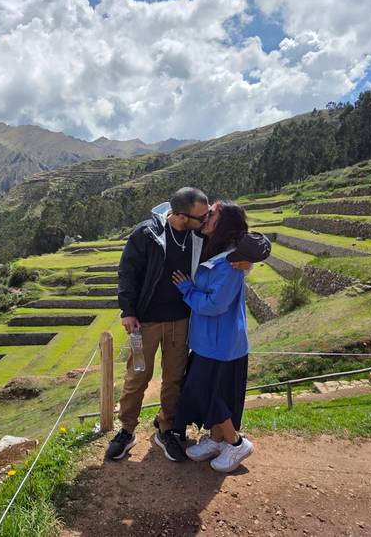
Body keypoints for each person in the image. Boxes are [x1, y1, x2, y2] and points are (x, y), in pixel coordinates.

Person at [106, 188, 268, 462]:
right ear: (182, 216)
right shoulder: (147, 234)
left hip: (182, 321)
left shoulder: (199, 236)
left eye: (209, 216)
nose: (206, 221)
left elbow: (254, 240)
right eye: (201, 216)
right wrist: (127, 310)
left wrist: (249, 258)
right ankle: (126, 430)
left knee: (174, 380)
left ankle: (167, 429)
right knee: (137, 377)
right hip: (144, 322)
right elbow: (127, 272)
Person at [171, 201, 269, 473]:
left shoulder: (231, 262)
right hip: (209, 341)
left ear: (223, 223)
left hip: (222, 344)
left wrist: (188, 290)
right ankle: (216, 439)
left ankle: (236, 443)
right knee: (211, 393)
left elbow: (215, 305)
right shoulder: (216, 249)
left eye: (212, 213)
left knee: (209, 395)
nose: (206, 216)